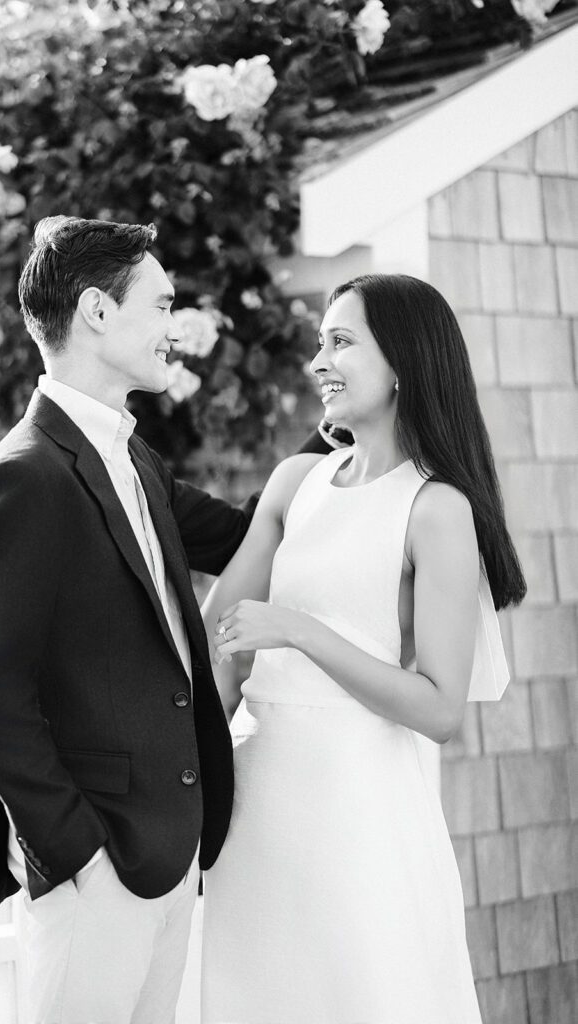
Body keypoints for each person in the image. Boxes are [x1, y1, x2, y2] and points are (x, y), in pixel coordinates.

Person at [0, 215, 328, 1024]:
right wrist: (79, 857)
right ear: (95, 311)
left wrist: (341, 430)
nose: (170, 329)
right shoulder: (27, 477)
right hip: (101, 875)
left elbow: (241, 535)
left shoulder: (130, 457)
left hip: (171, 851)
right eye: (158, 307)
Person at [201, 273, 526, 1024]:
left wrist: (301, 631)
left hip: (358, 812)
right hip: (257, 804)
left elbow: (441, 709)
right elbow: (210, 635)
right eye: (319, 342)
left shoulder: (437, 508)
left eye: (340, 342)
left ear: (403, 363)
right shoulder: (293, 483)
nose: (318, 360)